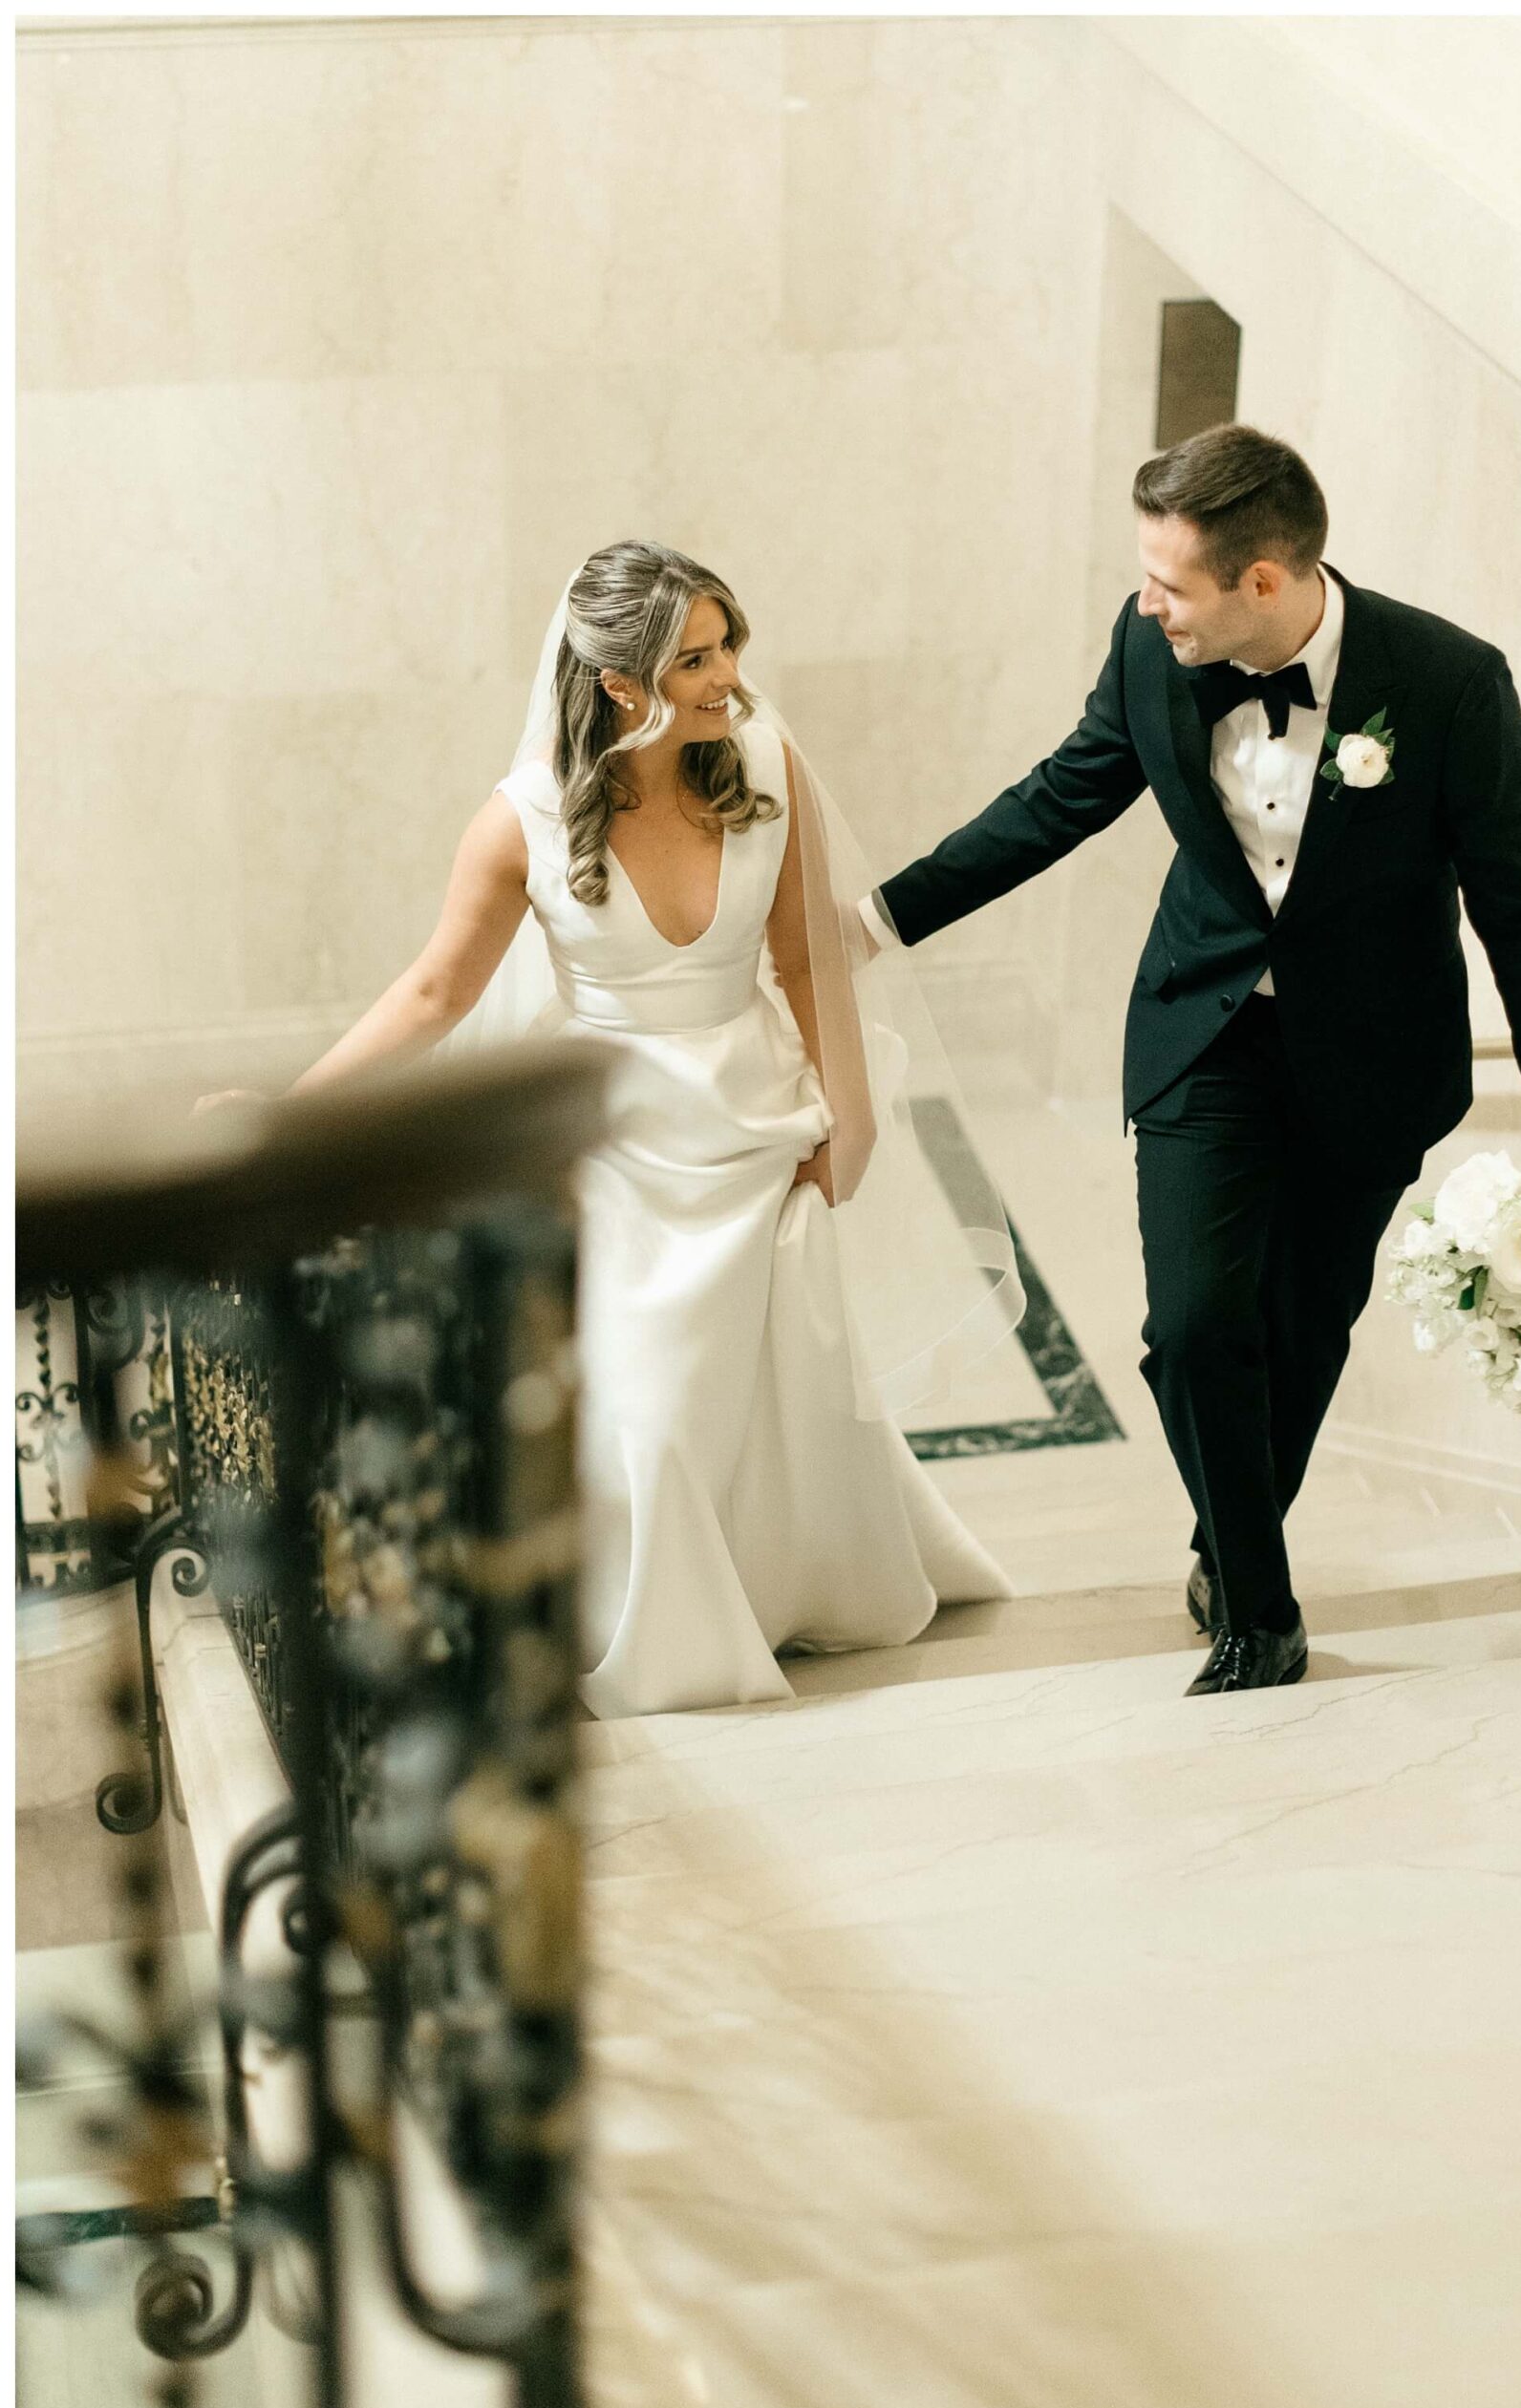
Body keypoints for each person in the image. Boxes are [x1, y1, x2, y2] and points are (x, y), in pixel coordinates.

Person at [203, 540, 1019, 1718]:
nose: (729, 673)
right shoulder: (519, 822)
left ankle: (790, 1585)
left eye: (729, 641)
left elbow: (802, 958)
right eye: (695, 656)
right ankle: (662, 1633)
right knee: (653, 1409)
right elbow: (436, 992)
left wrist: (851, 1118)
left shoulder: (763, 765)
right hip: (618, 1150)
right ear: (621, 681)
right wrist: (289, 1114)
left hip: (756, 1129)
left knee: (769, 1395)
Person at [862, 424, 1521, 1697]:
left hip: (1372, 1058)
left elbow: (1517, 903)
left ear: (1262, 581)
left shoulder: (1445, 681)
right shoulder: (1149, 647)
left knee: (1303, 1326)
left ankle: (1228, 1544)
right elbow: (1061, 795)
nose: (1147, 602)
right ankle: (1258, 1613)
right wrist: (874, 919)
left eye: (1171, 582)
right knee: (1194, 1327)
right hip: (1203, 1028)